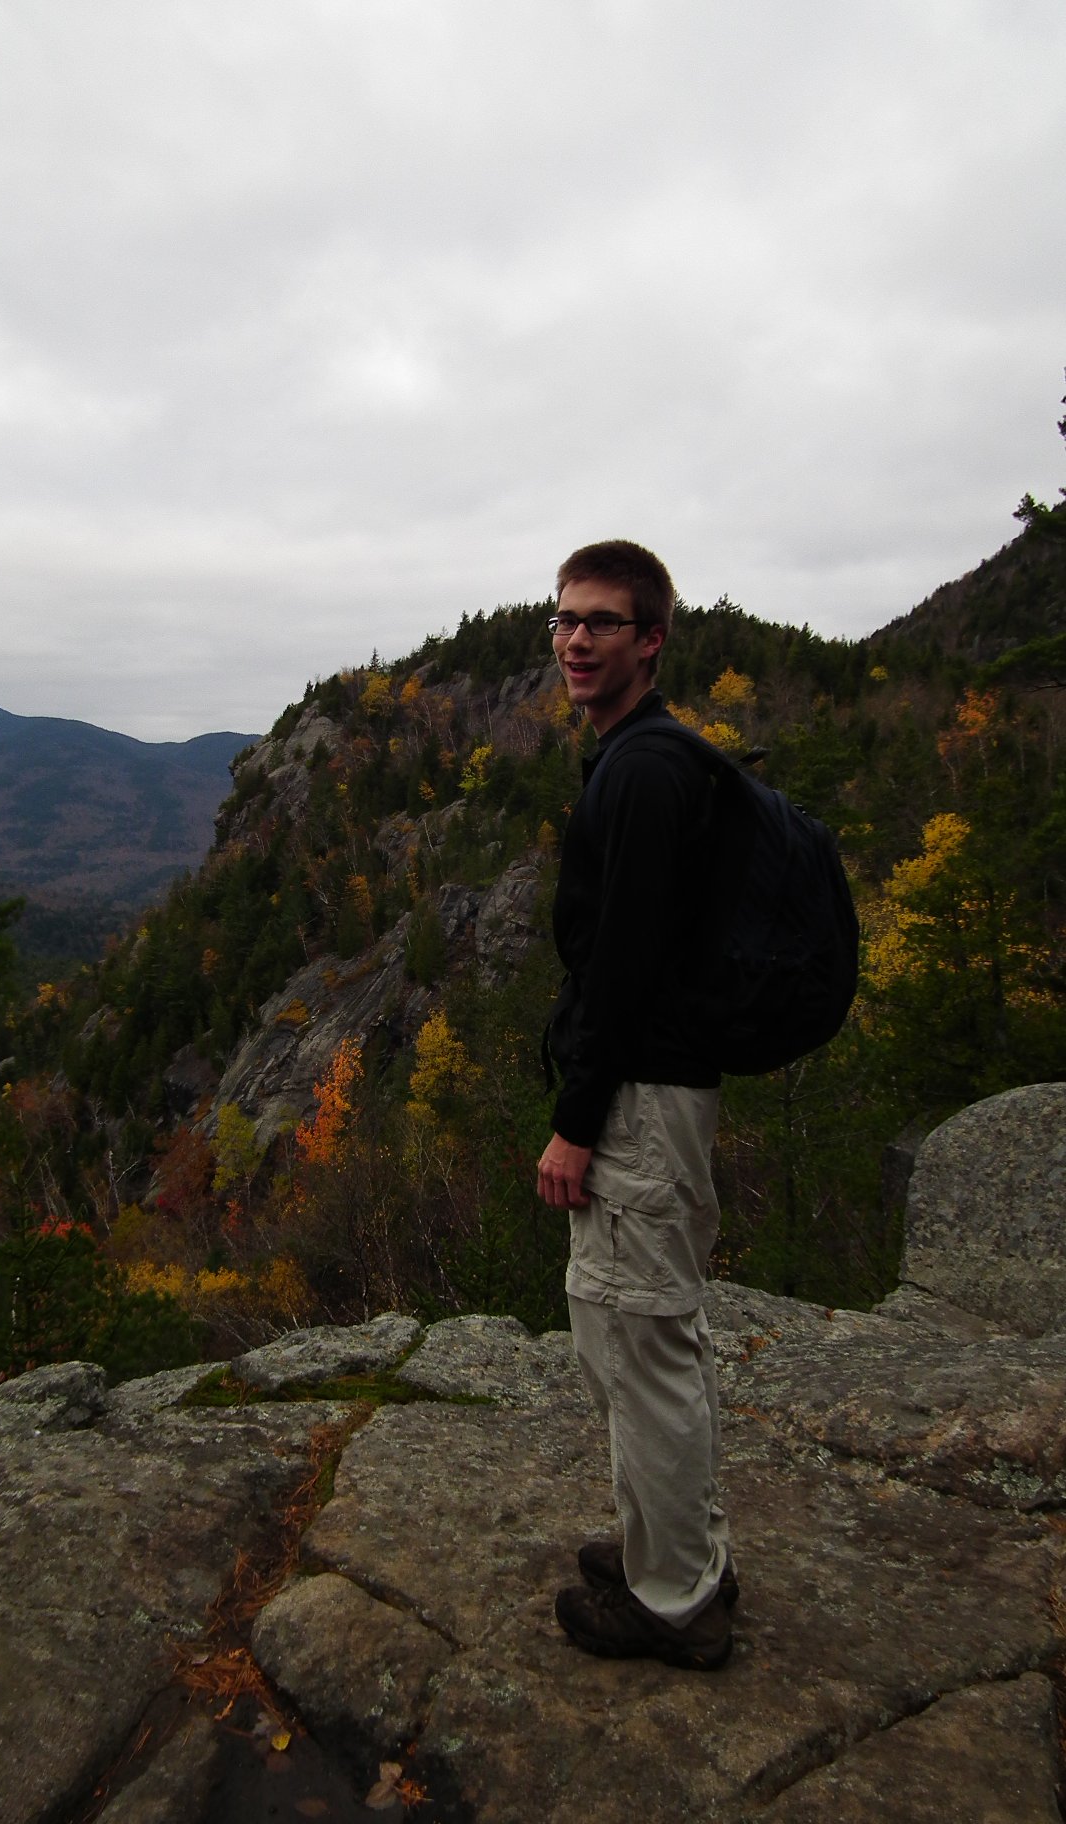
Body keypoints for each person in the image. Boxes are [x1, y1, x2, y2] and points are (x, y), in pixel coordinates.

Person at [536, 538, 735, 1672]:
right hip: (653, 1087)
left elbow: (624, 967)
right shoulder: (636, 757)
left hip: (641, 1098)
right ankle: (673, 1548)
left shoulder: (646, 772)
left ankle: (675, 1602)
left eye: (601, 622)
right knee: (642, 1337)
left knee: (638, 1340)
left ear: (650, 639)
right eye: (565, 619)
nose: (576, 640)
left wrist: (576, 1122)